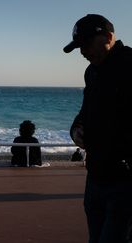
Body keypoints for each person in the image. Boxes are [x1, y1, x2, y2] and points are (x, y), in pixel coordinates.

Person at [64, 14, 132, 243]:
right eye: (79, 46)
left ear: (109, 37)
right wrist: (76, 129)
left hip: (125, 181)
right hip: (95, 177)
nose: (82, 51)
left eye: (86, 44)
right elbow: (85, 111)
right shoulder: (91, 72)